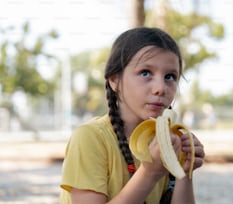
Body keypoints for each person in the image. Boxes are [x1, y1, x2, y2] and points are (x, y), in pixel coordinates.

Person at [59, 27, 205, 204]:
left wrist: (183, 171)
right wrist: (149, 173)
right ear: (114, 80)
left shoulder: (165, 142)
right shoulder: (90, 138)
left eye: (170, 76)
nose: (160, 88)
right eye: (145, 73)